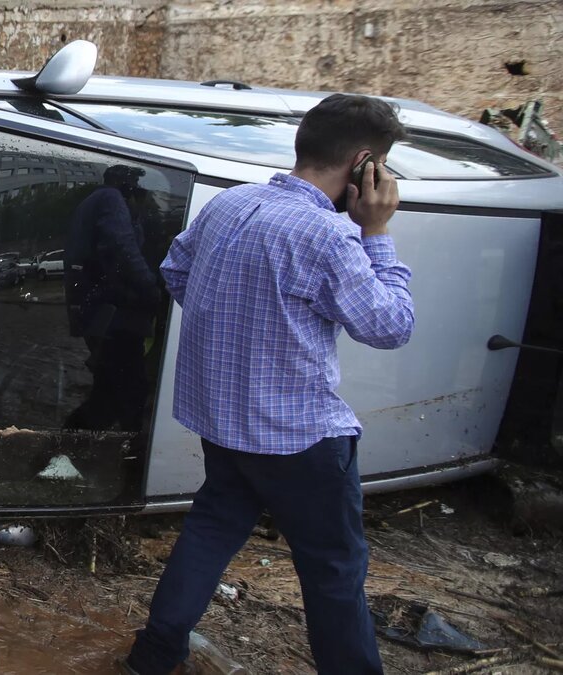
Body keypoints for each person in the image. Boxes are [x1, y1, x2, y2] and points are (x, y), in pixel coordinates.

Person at [124, 94, 414, 674]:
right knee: (333, 570)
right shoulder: (328, 237)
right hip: (301, 438)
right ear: (364, 164)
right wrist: (376, 231)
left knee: (210, 530)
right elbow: (391, 327)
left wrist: (237, 326)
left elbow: (176, 271)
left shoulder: (229, 204)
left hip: (224, 424)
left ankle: (152, 658)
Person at [62, 165, 162, 433]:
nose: (136, 186)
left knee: (109, 392)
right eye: (132, 180)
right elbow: (122, 250)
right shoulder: (110, 199)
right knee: (130, 392)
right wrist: (153, 291)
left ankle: (64, 448)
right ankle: (130, 460)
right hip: (114, 317)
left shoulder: (93, 201)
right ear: (121, 180)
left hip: (101, 314)